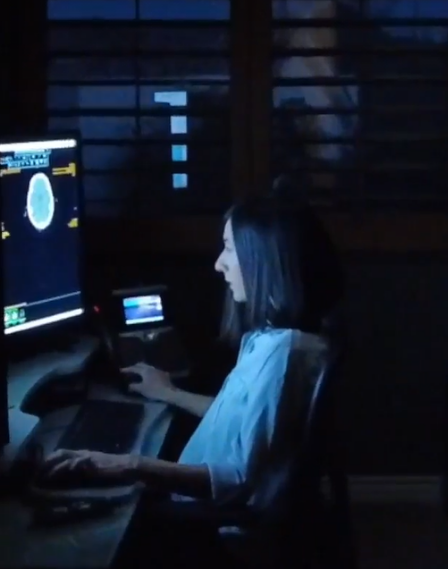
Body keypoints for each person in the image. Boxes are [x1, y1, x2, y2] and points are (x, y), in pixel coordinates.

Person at [42, 195, 344, 566]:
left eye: (229, 248)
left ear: (262, 258)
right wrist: (170, 392)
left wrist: (130, 464)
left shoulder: (283, 355)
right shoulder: (280, 340)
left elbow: (239, 478)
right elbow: (242, 421)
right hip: (203, 513)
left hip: (214, 533)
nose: (219, 264)